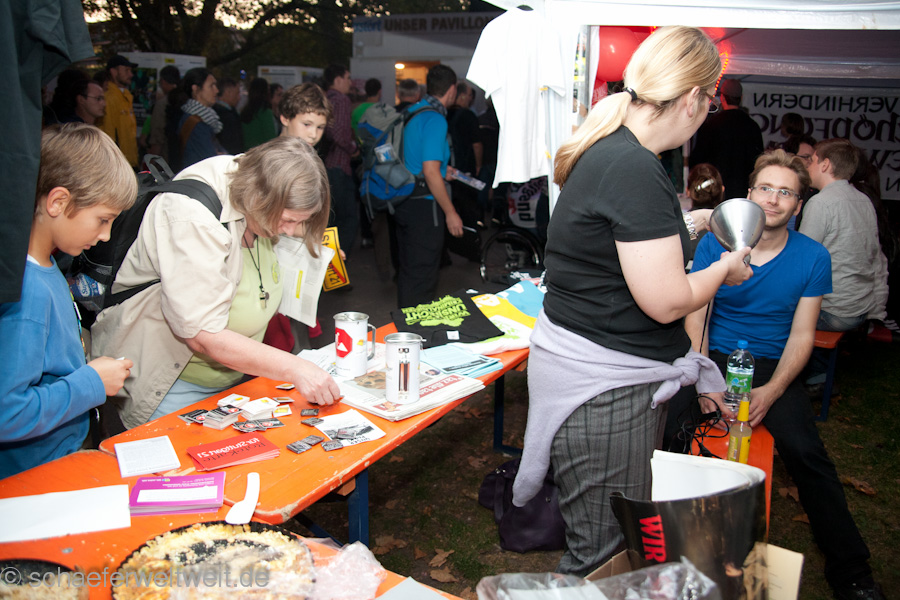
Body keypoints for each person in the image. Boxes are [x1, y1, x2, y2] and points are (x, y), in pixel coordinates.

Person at [511, 26, 753, 577]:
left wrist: (689, 224)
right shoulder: (634, 167)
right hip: (604, 388)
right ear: (693, 98)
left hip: (605, 372)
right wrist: (724, 269)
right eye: (711, 102)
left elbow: (623, 244)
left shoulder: (621, 150)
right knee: (604, 551)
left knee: (614, 537)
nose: (708, 113)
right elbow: (667, 301)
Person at [666, 150, 884, 600]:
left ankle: (852, 573)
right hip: (712, 357)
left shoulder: (812, 256)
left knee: (806, 453)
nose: (773, 198)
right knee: (668, 430)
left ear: (799, 205)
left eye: (786, 192)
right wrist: (706, 383)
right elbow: (696, 317)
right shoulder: (715, 245)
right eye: (765, 188)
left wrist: (771, 391)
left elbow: (803, 336)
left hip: (770, 365)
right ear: (749, 195)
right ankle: (665, 549)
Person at [91, 136, 341, 431]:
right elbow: (202, 334)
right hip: (172, 385)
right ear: (260, 198)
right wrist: (296, 367)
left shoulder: (257, 184)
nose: (289, 231)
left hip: (231, 379)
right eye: (286, 221)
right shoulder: (192, 216)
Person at [0, 124, 135, 478]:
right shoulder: (27, 291)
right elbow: (7, 413)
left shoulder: (47, 267)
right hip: (31, 476)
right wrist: (92, 382)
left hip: (58, 458)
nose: (105, 235)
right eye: (102, 220)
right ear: (58, 202)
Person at [799, 139, 888, 389]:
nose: (809, 166)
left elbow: (803, 259)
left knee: (772, 309)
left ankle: (810, 376)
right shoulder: (864, 200)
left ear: (825, 164)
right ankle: (817, 371)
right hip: (861, 305)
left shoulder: (821, 202)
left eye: (812, 160)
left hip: (834, 312)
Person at [393, 64, 466, 308]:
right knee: (422, 277)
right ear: (452, 90)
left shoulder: (413, 111)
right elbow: (430, 171)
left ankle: (404, 322)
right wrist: (451, 212)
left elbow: (415, 159)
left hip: (404, 200)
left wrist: (444, 171)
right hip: (425, 208)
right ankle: (415, 328)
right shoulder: (435, 120)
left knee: (409, 270)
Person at [689, 78, 764, 199]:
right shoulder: (752, 126)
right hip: (743, 191)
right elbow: (758, 160)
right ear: (741, 98)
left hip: (715, 190)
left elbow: (698, 158)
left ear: (722, 98)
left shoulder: (712, 125)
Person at [322, 64, 360, 253]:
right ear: (338, 80)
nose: (350, 82)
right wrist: (353, 148)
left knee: (329, 221)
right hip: (338, 166)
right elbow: (339, 134)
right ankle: (336, 262)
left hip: (324, 166)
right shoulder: (342, 100)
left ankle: (327, 263)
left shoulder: (324, 99)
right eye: (348, 77)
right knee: (348, 219)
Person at [171, 68, 225, 169]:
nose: (216, 90)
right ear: (196, 89)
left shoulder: (204, 118)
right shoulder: (195, 122)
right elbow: (211, 158)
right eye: (211, 86)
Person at [98, 55, 139, 168]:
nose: (131, 74)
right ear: (113, 71)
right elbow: (108, 134)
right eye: (126, 70)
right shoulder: (109, 98)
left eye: (130, 70)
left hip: (128, 162)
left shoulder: (125, 96)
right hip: (118, 165)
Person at [279, 83, 331, 147]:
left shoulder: (303, 151)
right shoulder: (272, 153)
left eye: (320, 127)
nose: (314, 135)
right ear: (285, 119)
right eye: (306, 124)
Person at [145, 65, 180, 160]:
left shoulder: (162, 104)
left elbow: (157, 138)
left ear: (163, 81)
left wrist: (151, 164)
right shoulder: (187, 99)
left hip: (167, 158)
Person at [241, 78, 278, 150]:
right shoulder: (266, 113)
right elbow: (271, 137)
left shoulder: (244, 112)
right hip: (263, 152)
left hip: (247, 151)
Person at [214, 77, 244, 155]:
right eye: (237, 93)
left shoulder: (218, 112)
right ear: (228, 92)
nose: (239, 97)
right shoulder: (225, 116)